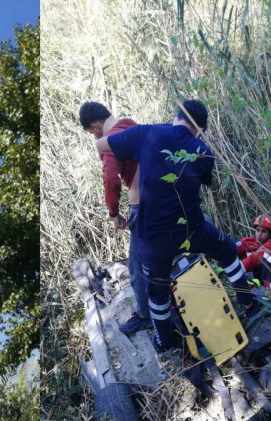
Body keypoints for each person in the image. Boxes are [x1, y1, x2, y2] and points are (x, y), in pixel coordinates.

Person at [96, 99, 256, 353]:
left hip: (153, 236)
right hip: (192, 230)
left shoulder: (146, 133)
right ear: (200, 128)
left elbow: (102, 144)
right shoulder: (203, 151)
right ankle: (248, 302)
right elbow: (202, 181)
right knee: (226, 249)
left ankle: (164, 342)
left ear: (176, 115)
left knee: (156, 289)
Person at [79, 101, 150, 332]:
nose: (93, 137)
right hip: (168, 193)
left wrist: (114, 213)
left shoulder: (109, 142)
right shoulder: (130, 124)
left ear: (95, 127)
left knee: (136, 263)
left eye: (90, 133)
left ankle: (144, 314)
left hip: (144, 202)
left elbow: (110, 180)